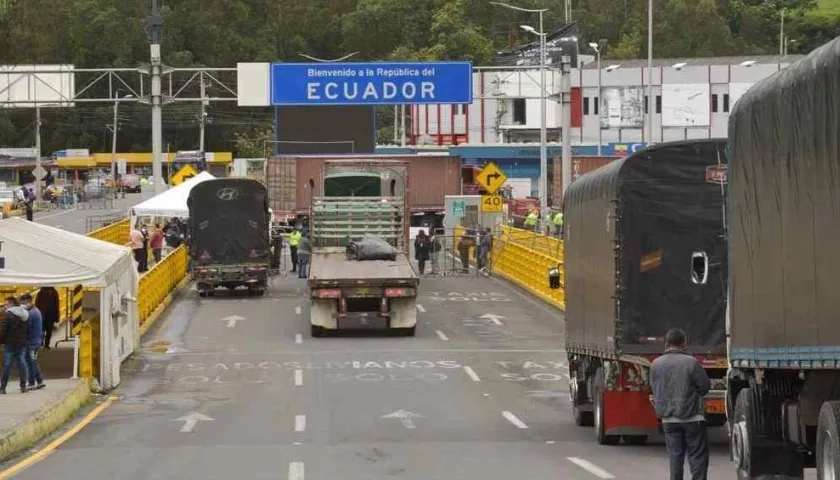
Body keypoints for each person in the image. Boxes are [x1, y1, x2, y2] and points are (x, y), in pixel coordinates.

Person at [649, 328, 711, 480]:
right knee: (697, 458)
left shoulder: (655, 364)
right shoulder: (691, 362)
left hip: (668, 420)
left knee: (675, 458)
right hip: (692, 418)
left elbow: (653, 387)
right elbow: (705, 386)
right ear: (684, 343)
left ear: (666, 343)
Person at [0, 297, 30, 394]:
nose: (5, 306)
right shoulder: (25, 314)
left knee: (7, 366)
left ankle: (3, 388)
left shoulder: (8, 315)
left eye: (6, 304)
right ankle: (23, 386)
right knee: (22, 364)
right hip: (22, 344)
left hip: (10, 344)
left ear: (11, 304)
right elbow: (28, 329)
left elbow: (3, 330)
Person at [19, 293, 45, 390]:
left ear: (28, 302)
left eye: (23, 303)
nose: (22, 305)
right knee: (33, 361)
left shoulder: (31, 313)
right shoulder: (36, 311)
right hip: (36, 341)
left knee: (30, 362)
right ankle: (40, 381)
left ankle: (31, 383)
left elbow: (26, 328)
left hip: (31, 342)